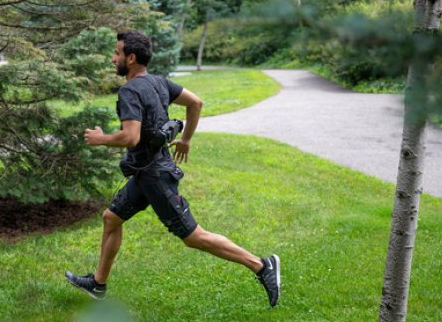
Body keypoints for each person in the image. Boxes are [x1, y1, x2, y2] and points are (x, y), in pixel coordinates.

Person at [65, 30, 281, 307]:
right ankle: (98, 283)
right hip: (145, 172)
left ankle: (262, 266)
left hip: (155, 177)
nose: (112, 58)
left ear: (130, 58)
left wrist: (100, 139)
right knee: (111, 218)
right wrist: (186, 140)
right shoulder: (159, 83)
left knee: (193, 236)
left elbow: (130, 137)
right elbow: (196, 102)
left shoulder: (130, 91)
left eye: (116, 53)